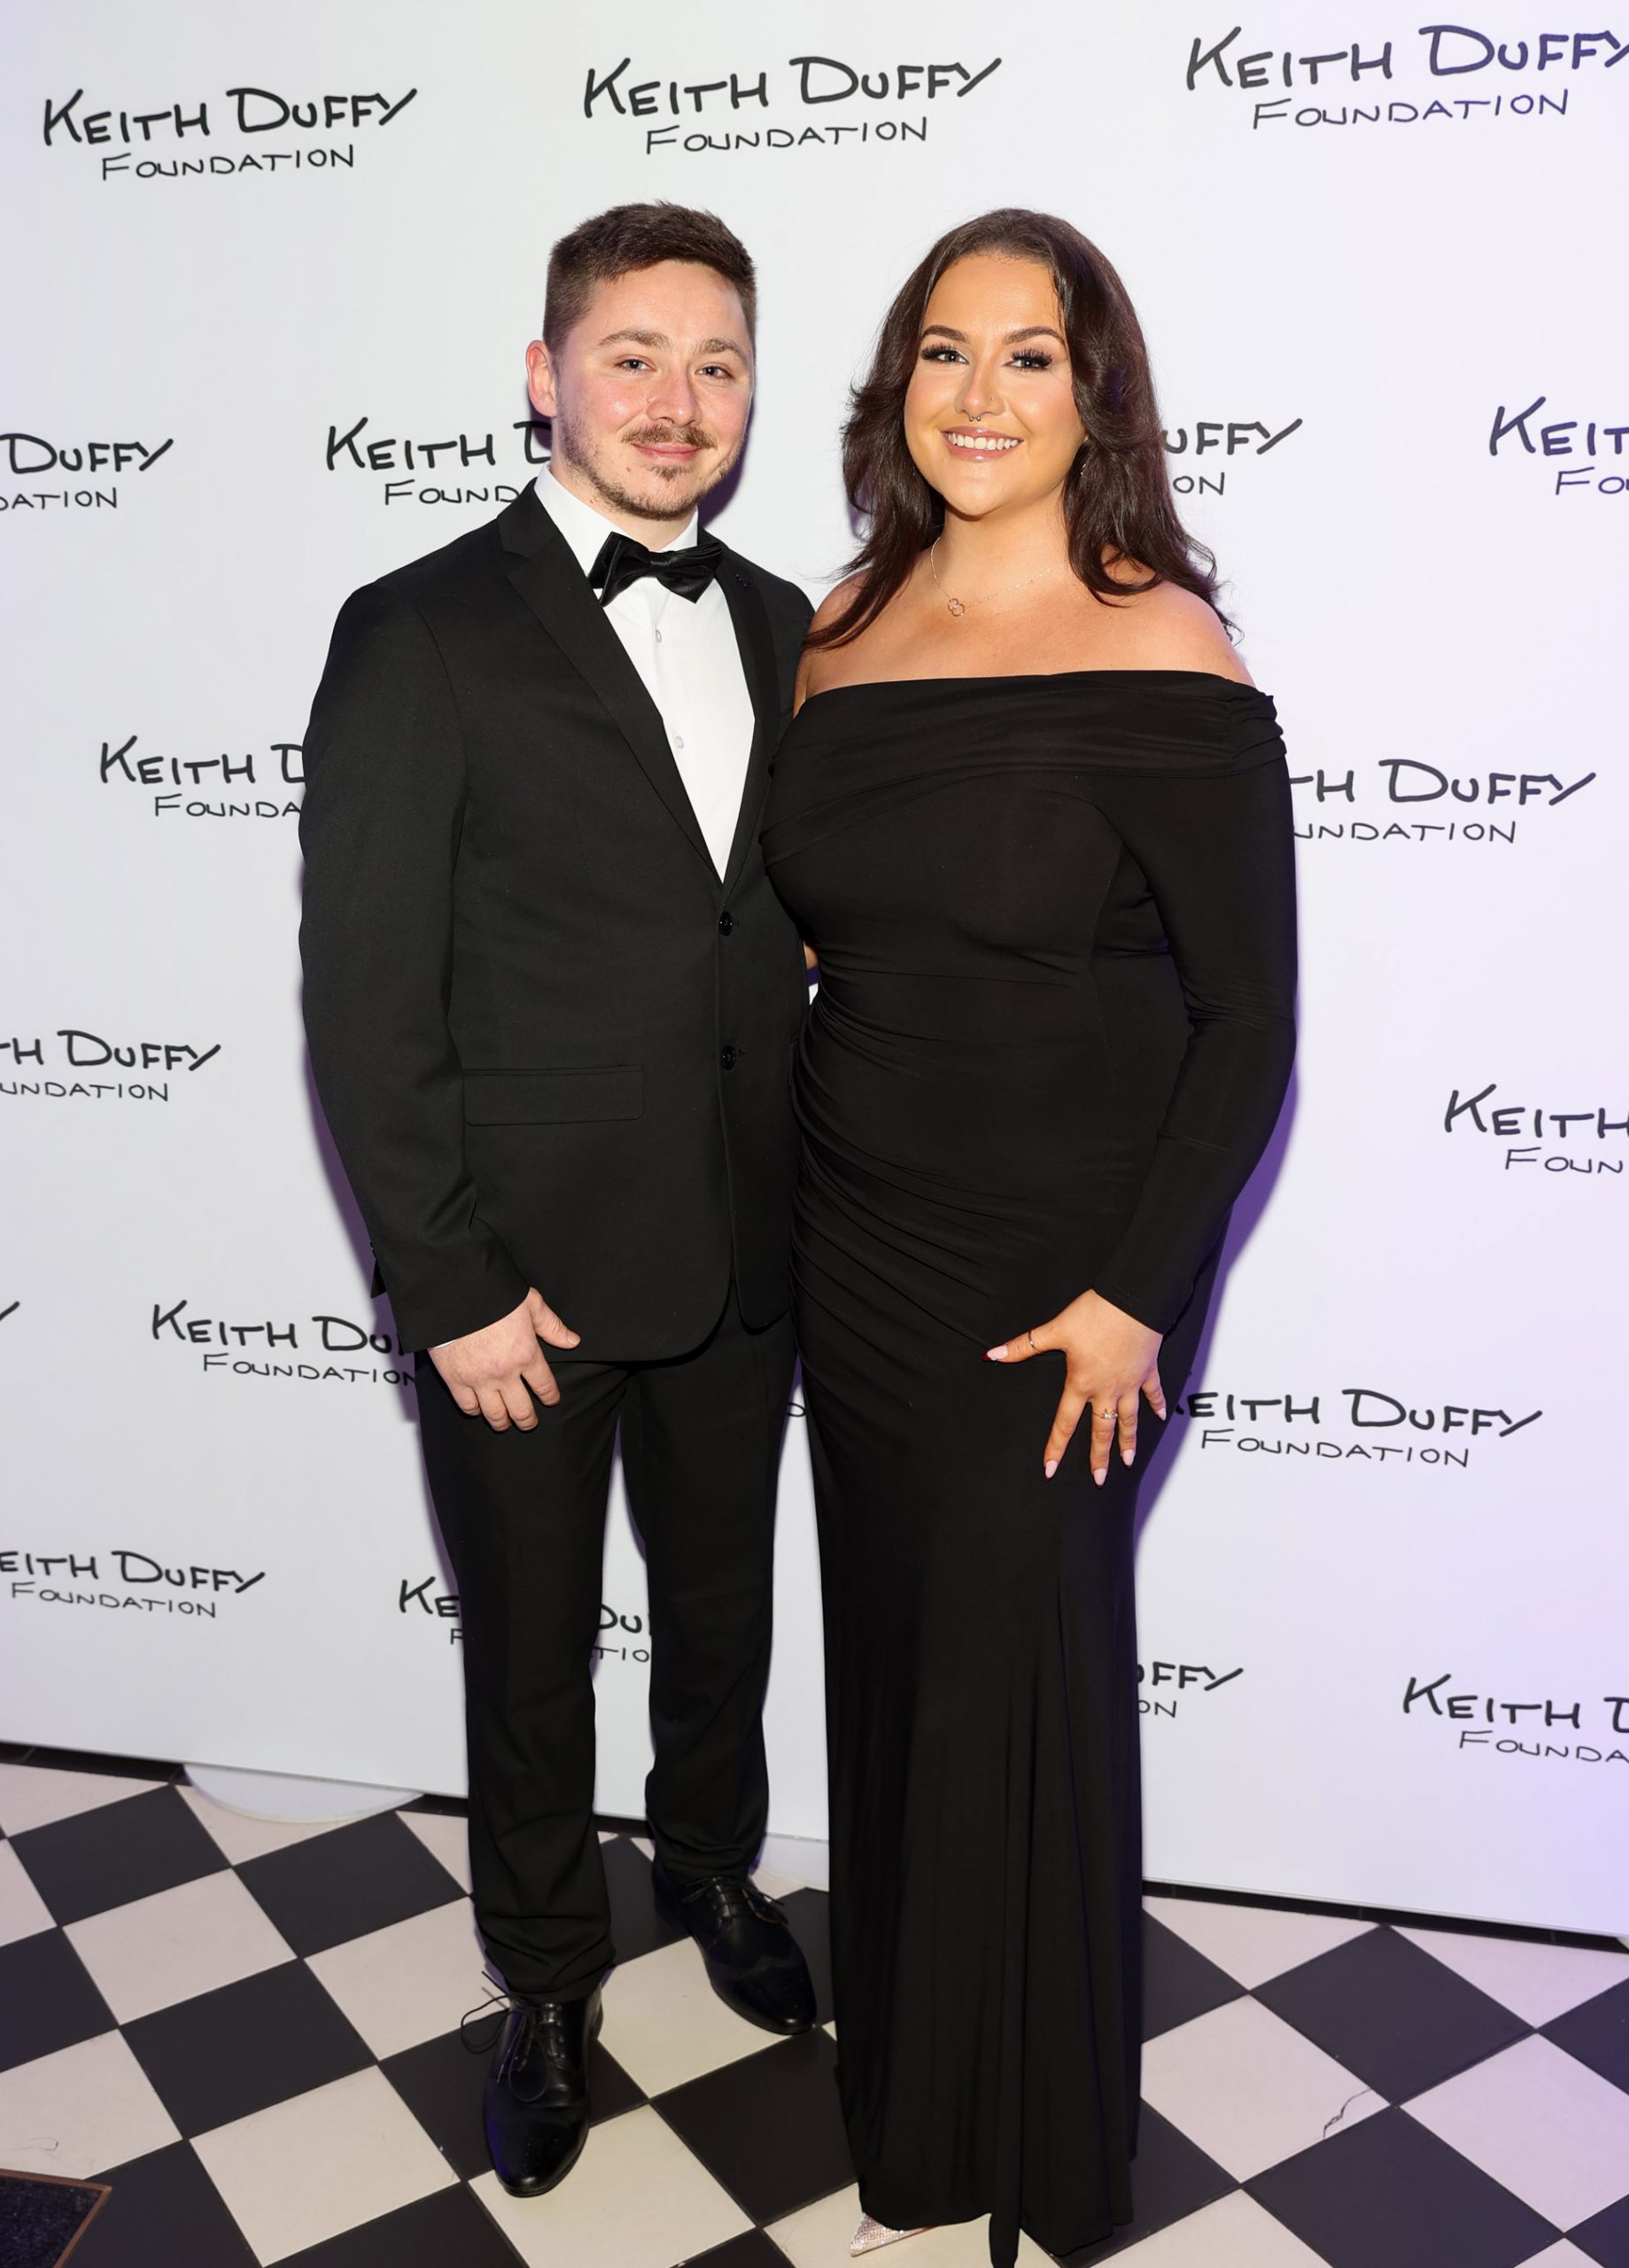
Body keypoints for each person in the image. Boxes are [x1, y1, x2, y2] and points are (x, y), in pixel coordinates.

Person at [760, 211, 1298, 2264]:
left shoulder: (1165, 646)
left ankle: (1041, 2139)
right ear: (896, 381)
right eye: (943, 350)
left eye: (1029, 356)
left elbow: (1246, 1018)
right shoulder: (840, 620)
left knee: (1022, 1663)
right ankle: (916, 2105)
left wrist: (1136, 1292)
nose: (977, 394)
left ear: (1096, 399)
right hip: (856, 1234)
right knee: (901, 1653)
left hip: (1068, 1263)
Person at [298, 201, 817, 2200]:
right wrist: (446, 1283)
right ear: (545, 375)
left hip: (748, 1248)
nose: (678, 401)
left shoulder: (791, 624)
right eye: (633, 356)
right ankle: (541, 1973)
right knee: (526, 1652)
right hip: (519, 1280)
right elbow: (365, 993)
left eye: (716, 363)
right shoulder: (418, 626)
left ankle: (710, 1862)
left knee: (722, 1607)